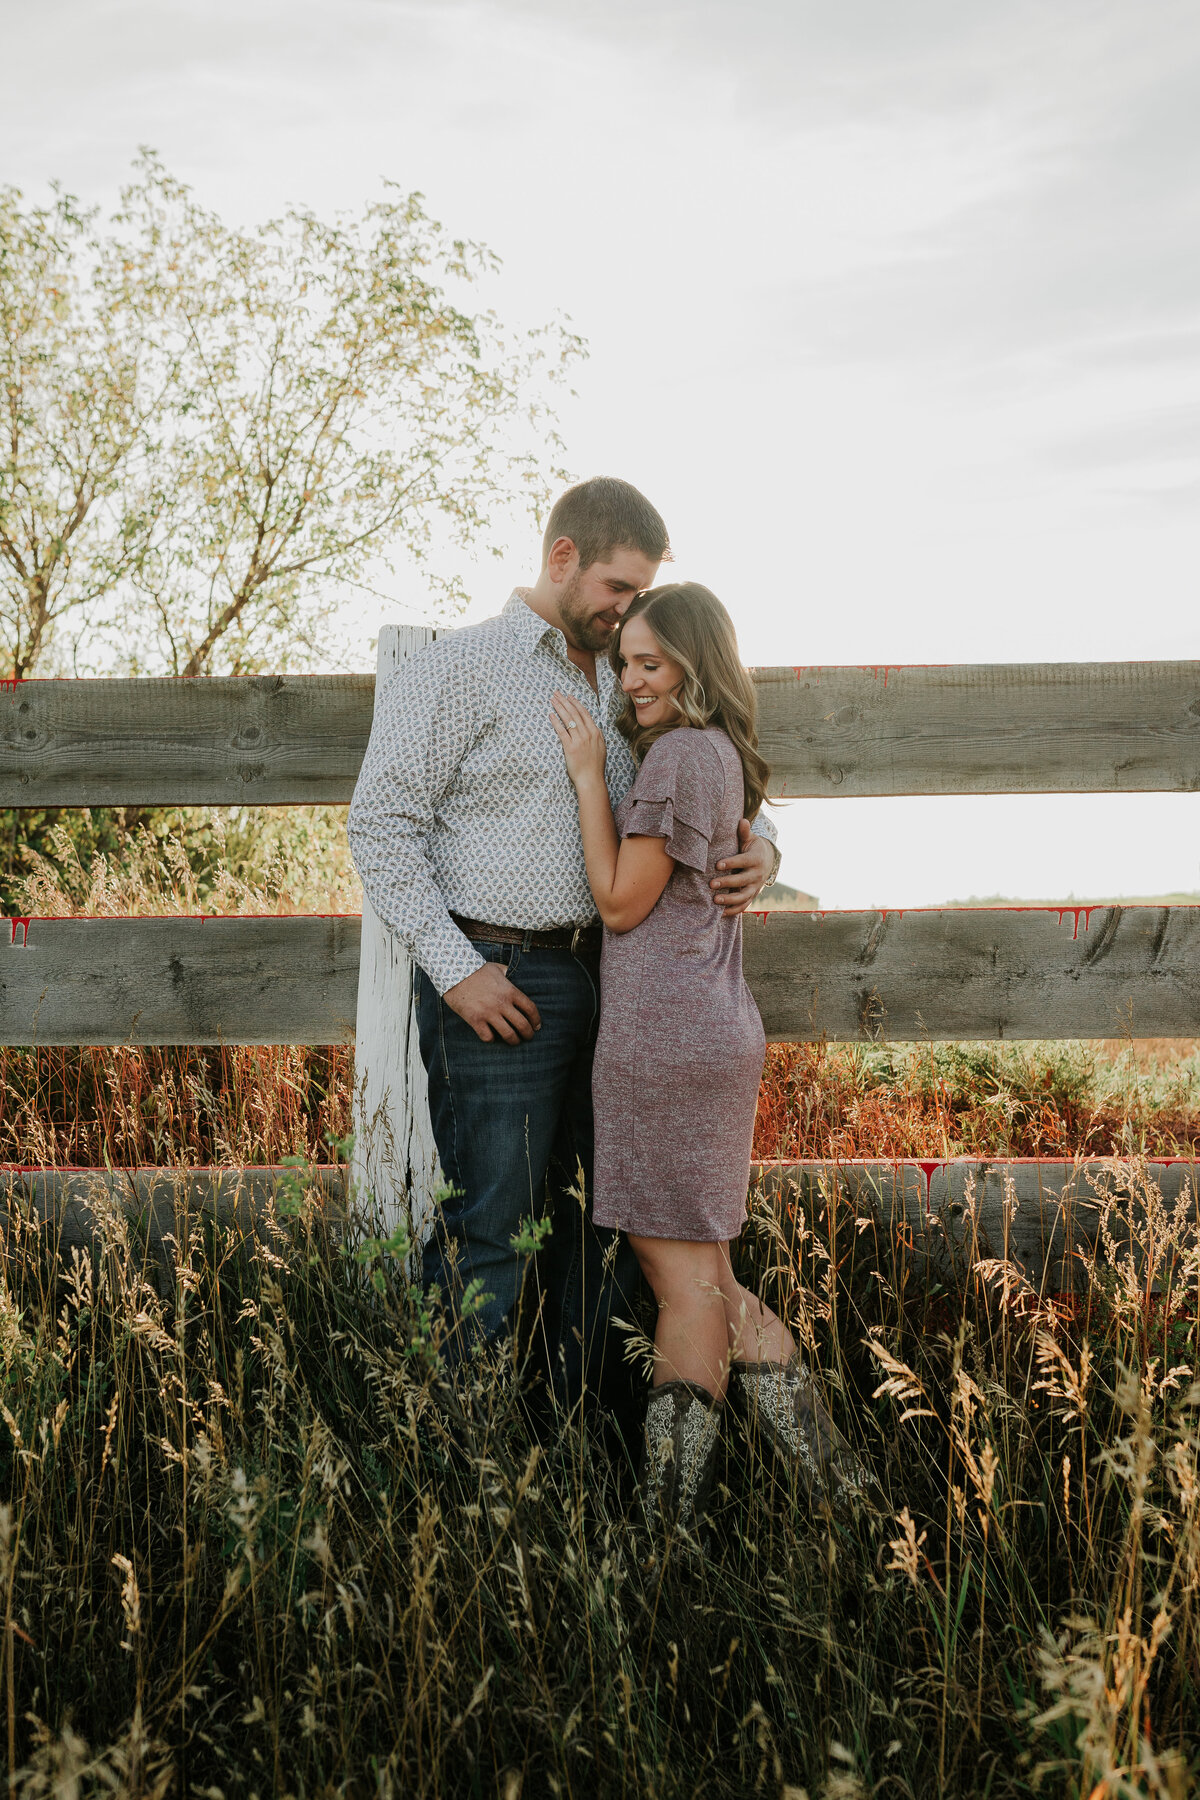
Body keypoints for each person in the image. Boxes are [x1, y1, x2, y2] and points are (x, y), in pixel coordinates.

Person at [346, 479, 780, 1421]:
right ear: (562, 558)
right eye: (620, 587)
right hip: (504, 976)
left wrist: (762, 850)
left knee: (605, 1235)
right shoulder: (464, 669)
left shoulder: (633, 677)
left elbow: (701, 793)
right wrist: (457, 973)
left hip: (627, 989)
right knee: (490, 1228)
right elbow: (381, 825)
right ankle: (453, 1457)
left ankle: (574, 1453)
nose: (633, 612)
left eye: (645, 597)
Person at [550, 581, 872, 1530]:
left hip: (664, 1043)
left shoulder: (680, 755)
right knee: (716, 1282)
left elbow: (617, 900)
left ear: (697, 668)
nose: (634, 679)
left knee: (681, 1285)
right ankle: (841, 1492)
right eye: (629, 662)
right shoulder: (716, 755)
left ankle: (666, 1532)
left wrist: (584, 779)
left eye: (653, 664)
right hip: (706, 1034)